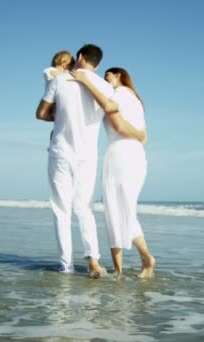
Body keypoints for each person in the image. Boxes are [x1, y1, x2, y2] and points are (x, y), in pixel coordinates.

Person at [70, 67, 156, 279]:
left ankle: (139, 261)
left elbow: (115, 119)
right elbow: (144, 137)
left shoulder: (120, 94)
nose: (106, 80)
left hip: (120, 155)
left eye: (108, 75)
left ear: (118, 75)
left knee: (115, 211)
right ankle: (124, 269)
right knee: (123, 210)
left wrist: (86, 81)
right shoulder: (136, 100)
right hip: (135, 155)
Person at [35, 44, 111, 278]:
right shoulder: (105, 86)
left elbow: (40, 113)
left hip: (61, 153)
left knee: (61, 211)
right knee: (85, 210)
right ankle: (94, 261)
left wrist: (59, 117)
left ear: (79, 57)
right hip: (87, 156)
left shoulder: (60, 80)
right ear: (97, 65)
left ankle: (65, 266)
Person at [43, 51, 75, 143]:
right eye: (71, 66)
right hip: (53, 103)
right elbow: (50, 73)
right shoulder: (50, 71)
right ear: (65, 65)